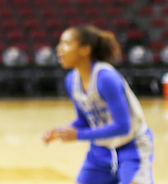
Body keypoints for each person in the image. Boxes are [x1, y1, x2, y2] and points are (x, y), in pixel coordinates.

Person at [42, 25, 154, 184]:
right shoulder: (71, 81)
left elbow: (123, 127)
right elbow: (84, 120)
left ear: (85, 49)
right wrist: (61, 131)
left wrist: (77, 135)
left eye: (66, 43)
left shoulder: (105, 78)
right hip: (101, 149)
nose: (59, 49)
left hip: (132, 146)